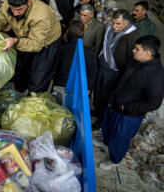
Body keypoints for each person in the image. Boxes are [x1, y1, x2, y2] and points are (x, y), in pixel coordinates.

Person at [96, 35, 164, 170]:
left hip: (129, 114)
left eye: (137, 49)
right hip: (114, 103)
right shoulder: (134, 61)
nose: (133, 50)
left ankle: (115, 160)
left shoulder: (156, 75)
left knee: (120, 139)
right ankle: (106, 143)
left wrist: (126, 106)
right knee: (108, 129)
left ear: (147, 53)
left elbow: (153, 103)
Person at [0, 0, 61, 93]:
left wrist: (15, 41)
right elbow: (2, 19)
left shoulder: (41, 15)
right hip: (22, 37)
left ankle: (33, 102)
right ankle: (19, 93)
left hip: (46, 43)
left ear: (28, 2)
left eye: (20, 9)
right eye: (13, 9)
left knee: (37, 80)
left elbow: (35, 44)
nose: (15, 13)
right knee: (19, 71)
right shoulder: (9, 4)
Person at [93, 9, 140, 124]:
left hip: (114, 72)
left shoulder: (132, 37)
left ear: (126, 23)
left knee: (106, 96)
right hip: (102, 68)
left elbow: (130, 59)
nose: (114, 26)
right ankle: (97, 111)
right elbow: (103, 46)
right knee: (98, 93)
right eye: (113, 22)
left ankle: (101, 121)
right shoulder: (109, 29)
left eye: (118, 24)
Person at [53, 19, 97, 105]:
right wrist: (88, 88)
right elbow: (92, 74)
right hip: (80, 89)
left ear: (67, 34)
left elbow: (53, 68)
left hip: (60, 86)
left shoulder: (60, 49)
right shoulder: (89, 53)